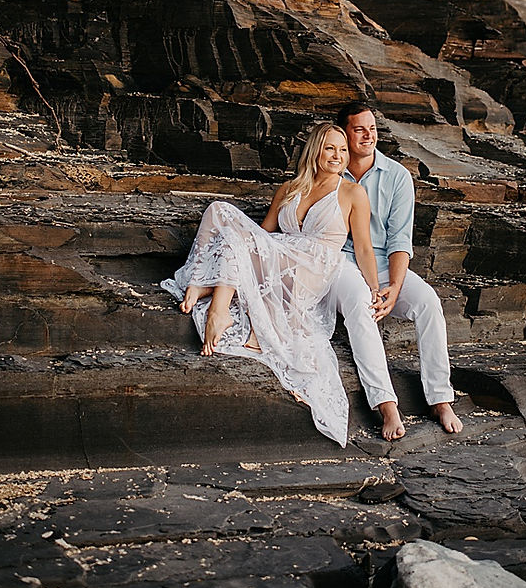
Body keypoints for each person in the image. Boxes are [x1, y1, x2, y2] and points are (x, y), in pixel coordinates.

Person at [160, 123, 382, 446]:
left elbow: (363, 247)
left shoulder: (351, 193)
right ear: (315, 150)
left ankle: (212, 298)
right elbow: (262, 236)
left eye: (343, 150)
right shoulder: (289, 189)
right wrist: (242, 246)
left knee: (237, 240)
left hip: (313, 269)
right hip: (281, 254)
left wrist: (374, 289)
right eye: (330, 148)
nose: (338, 156)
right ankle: (204, 285)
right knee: (218, 212)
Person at [321, 102, 463, 441]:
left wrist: (395, 288)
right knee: (361, 305)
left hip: (384, 264)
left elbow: (400, 240)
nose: (369, 135)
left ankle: (440, 399)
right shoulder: (329, 173)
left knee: (428, 301)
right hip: (340, 261)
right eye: (359, 129)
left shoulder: (397, 176)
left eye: (372, 128)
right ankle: (386, 405)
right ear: (344, 133)